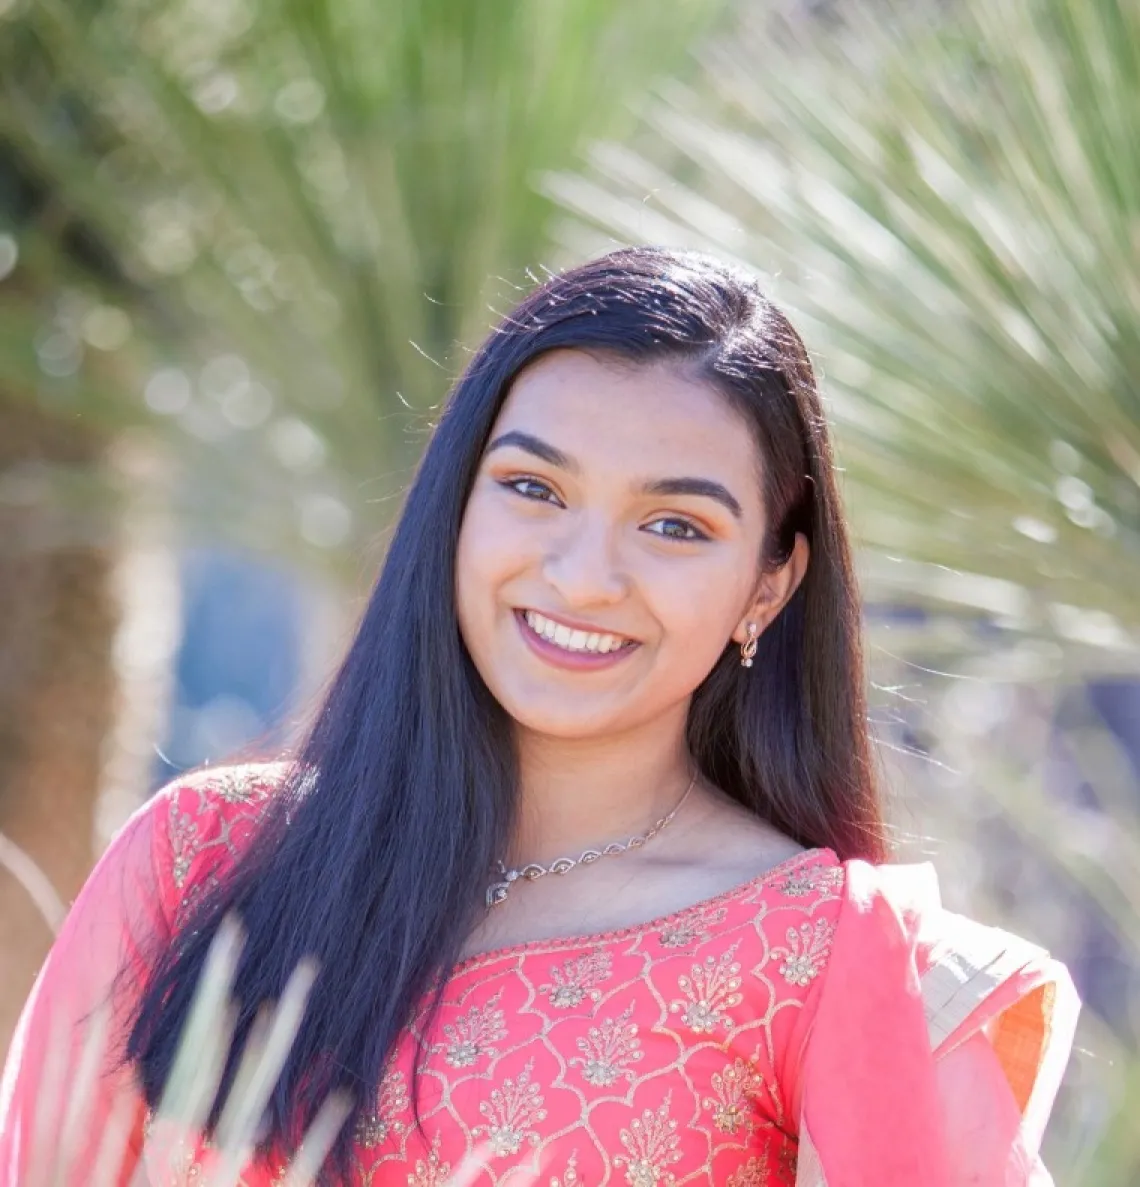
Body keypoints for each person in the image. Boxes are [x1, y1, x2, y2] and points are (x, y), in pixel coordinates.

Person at [0, 247, 1078, 1186]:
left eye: (674, 523)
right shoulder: (207, 858)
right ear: (455, 504)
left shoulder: (823, 959)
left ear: (769, 585)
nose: (583, 575)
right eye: (534, 489)